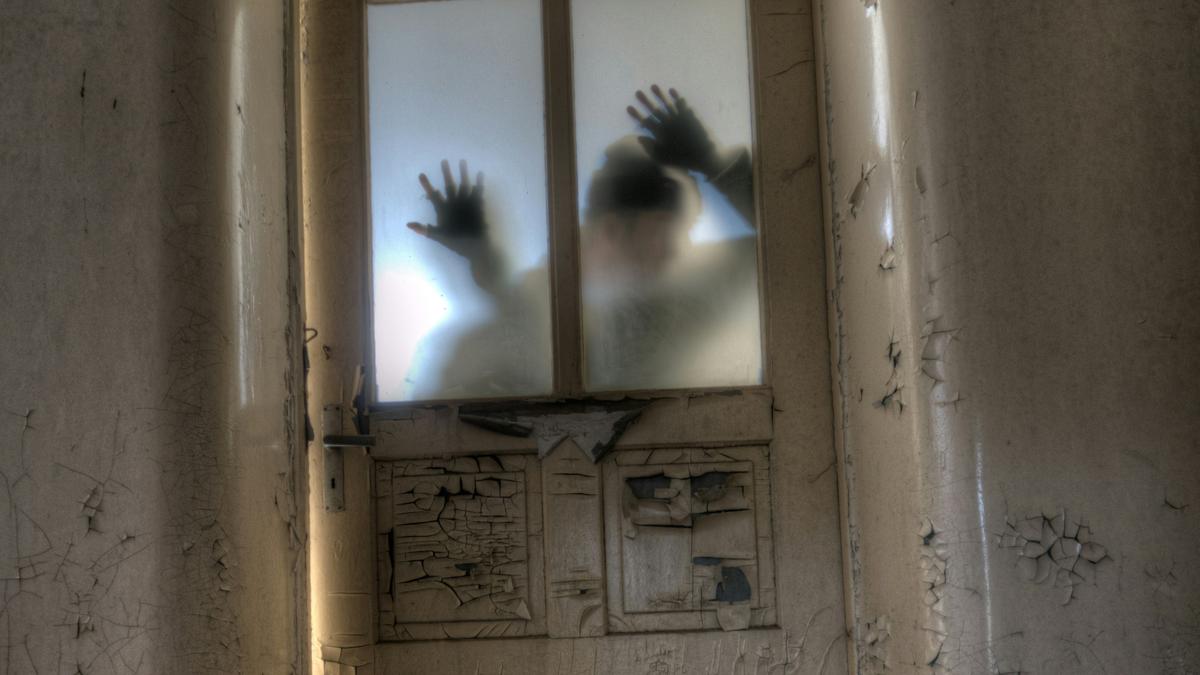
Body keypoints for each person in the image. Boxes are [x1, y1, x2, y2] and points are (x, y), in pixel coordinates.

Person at [405, 85, 759, 397]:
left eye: (686, 229)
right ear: (612, 229)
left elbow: (794, 248)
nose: (677, 247)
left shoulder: (697, 298)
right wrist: (482, 259)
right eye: (666, 229)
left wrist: (713, 162)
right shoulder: (525, 320)